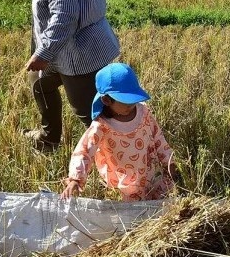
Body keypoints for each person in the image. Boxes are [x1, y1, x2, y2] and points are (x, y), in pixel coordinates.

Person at [11, 0, 120, 152]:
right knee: (40, 84)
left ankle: (117, 158)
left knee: (87, 112)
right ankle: (49, 138)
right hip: (64, 50)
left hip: (78, 53)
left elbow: (65, 15)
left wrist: (43, 52)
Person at [61, 63, 178, 202]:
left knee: (159, 201)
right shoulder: (102, 126)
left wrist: (168, 161)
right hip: (124, 183)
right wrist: (76, 178)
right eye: (126, 102)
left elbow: (157, 136)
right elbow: (84, 151)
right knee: (134, 214)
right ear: (106, 100)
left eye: (134, 101)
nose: (132, 106)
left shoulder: (143, 112)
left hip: (149, 172)